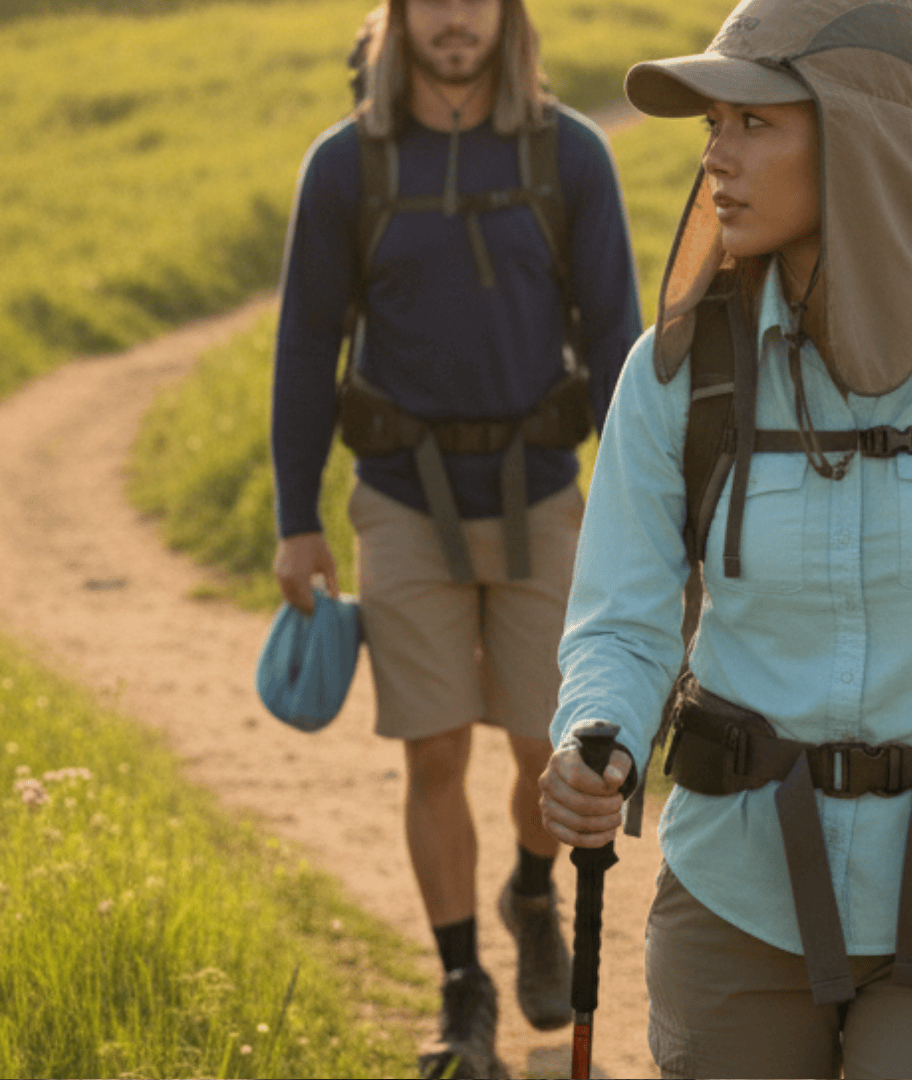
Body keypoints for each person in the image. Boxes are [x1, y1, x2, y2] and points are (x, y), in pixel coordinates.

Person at [538, 0, 912, 1077]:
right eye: (711, 126)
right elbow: (626, 623)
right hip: (734, 896)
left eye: (753, 124)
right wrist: (598, 737)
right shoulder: (677, 373)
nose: (714, 158)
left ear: (865, 140)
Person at [268, 0, 639, 1075]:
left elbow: (614, 335)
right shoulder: (347, 166)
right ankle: (461, 990)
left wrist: (643, 512)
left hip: (541, 498)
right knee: (432, 748)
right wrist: (298, 520)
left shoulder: (570, 155)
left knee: (545, 745)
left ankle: (532, 890)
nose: (455, 19)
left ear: (509, 15)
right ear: (396, 18)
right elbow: (306, 349)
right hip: (401, 499)